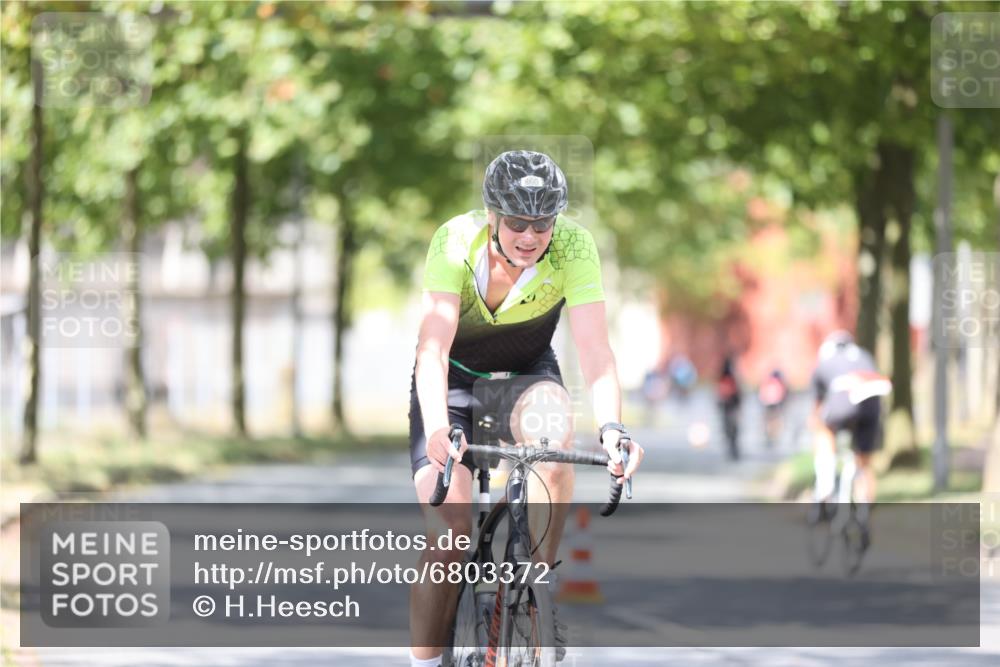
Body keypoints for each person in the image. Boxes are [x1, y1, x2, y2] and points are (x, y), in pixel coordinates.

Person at [408, 150, 645, 667]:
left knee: (556, 436)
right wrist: (436, 427)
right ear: (491, 214)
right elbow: (433, 346)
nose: (531, 236)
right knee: (452, 534)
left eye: (542, 223)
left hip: (527, 377)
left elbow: (595, 351)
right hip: (453, 382)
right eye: (517, 222)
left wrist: (611, 429)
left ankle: (540, 581)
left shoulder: (575, 247)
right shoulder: (455, 241)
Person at [810, 330, 889, 545]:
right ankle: (865, 511)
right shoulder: (864, 355)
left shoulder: (825, 362)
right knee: (864, 463)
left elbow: (817, 407)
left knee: (823, 430)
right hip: (872, 404)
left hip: (843, 402)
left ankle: (825, 489)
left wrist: (817, 424)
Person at [717, 354, 742, 460]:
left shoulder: (725, 378)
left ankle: (733, 449)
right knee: (731, 429)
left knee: (730, 429)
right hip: (729, 407)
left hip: (729, 407)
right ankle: (733, 449)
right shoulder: (730, 378)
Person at [758, 367, 789, 448]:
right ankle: (772, 434)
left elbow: (762, 393)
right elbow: (782, 394)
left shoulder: (768, 382)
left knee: (769, 420)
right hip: (774, 404)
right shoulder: (777, 383)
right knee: (774, 420)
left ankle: (770, 434)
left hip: (768, 404)